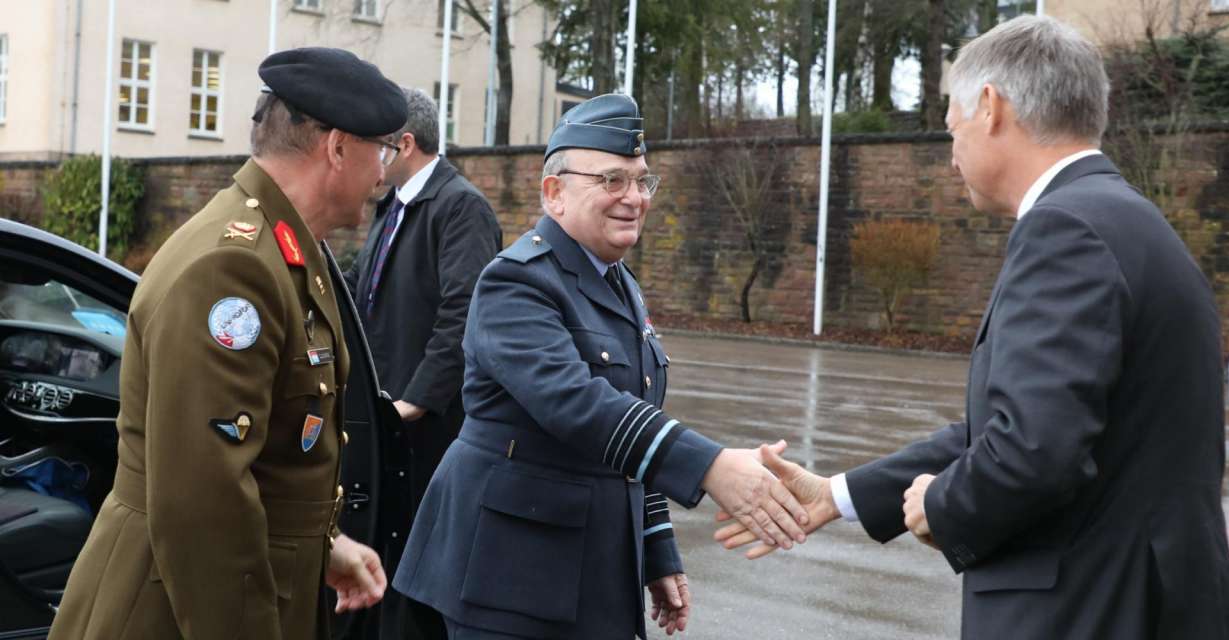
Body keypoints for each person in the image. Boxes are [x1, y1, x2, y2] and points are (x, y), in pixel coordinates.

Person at [716, 16, 1229, 640]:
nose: (952, 153)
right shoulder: (1126, 220)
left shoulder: (1065, 230)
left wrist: (941, 502)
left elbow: (1034, 450)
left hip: (1089, 609)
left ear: (990, 106)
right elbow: (1022, 423)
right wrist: (839, 494)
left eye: (951, 127)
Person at [392, 94, 810, 640]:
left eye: (641, 181)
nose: (634, 198)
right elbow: (577, 404)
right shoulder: (516, 281)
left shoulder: (619, 282)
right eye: (612, 180)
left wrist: (654, 547)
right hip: (507, 580)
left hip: (587, 569)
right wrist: (710, 466)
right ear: (554, 192)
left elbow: (632, 412)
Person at [49, 47, 406, 640]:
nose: (384, 173)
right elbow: (202, 501)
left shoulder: (286, 248)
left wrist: (326, 546)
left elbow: (269, 458)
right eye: (383, 150)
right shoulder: (233, 268)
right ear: (338, 148)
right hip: (176, 611)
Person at [343, 87, 502, 639]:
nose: (371, 156)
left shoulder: (461, 207)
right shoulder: (393, 206)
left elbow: (464, 314)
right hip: (387, 422)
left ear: (404, 143)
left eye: (379, 143)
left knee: (422, 582)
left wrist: (414, 400)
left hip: (430, 430)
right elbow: (364, 292)